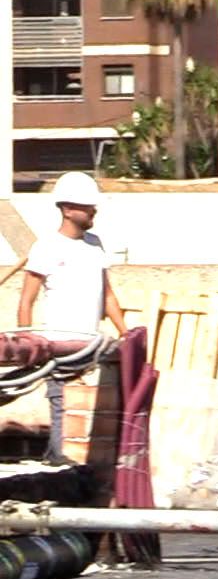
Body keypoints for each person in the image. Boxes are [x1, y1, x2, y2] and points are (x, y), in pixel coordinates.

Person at [16, 171, 128, 463]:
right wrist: (29, 341)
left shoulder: (95, 244)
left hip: (89, 344)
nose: (94, 210)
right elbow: (26, 300)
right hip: (58, 346)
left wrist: (125, 332)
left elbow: (108, 295)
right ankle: (58, 459)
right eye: (87, 206)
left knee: (89, 407)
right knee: (60, 402)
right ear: (67, 209)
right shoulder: (46, 248)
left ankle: (72, 460)